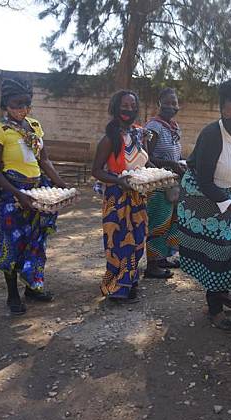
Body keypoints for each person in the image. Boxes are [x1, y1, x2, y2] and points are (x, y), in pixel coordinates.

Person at [177, 78, 231, 330]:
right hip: (199, 194)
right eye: (228, 112)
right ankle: (214, 308)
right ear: (221, 110)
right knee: (217, 248)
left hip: (223, 192)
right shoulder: (212, 134)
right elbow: (205, 181)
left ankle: (220, 291)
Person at [0, 75, 68, 315]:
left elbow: (44, 160)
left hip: (37, 191)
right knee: (12, 243)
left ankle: (34, 285)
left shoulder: (34, 126)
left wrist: (61, 184)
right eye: (16, 105)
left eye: (26, 104)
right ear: (5, 105)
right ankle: (12, 294)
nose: (22, 109)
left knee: (37, 240)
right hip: (10, 195)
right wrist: (17, 194)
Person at [92, 90, 149, 302]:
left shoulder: (139, 134)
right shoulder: (109, 139)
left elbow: (144, 162)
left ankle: (130, 280)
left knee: (138, 239)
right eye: (124, 106)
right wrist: (118, 180)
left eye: (132, 106)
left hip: (138, 195)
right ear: (116, 107)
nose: (128, 110)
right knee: (118, 242)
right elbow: (96, 171)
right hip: (117, 197)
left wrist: (161, 173)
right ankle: (117, 286)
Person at [143, 88, 186, 279]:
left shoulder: (174, 127)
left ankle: (162, 258)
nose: (171, 107)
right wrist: (170, 165)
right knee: (157, 222)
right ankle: (152, 265)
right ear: (159, 103)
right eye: (167, 103)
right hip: (158, 183)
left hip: (172, 182)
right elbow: (146, 157)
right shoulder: (154, 127)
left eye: (174, 103)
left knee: (170, 222)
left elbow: (174, 154)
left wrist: (182, 163)